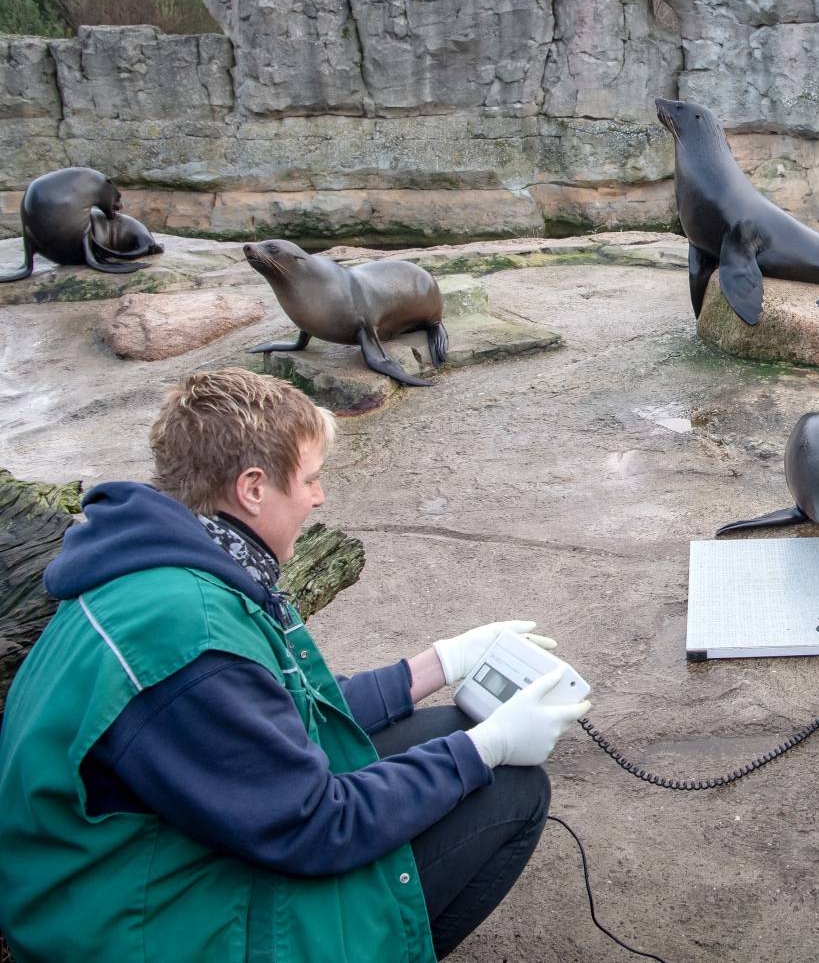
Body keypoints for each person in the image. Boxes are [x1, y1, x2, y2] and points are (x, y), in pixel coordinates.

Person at [0, 368, 593, 961]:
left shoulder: (174, 557)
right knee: (510, 788)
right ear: (253, 488)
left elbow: (280, 712)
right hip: (130, 925)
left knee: (448, 730)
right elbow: (315, 827)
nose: (319, 496)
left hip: (138, 857)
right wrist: (485, 749)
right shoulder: (192, 636)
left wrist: (442, 663)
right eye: (309, 479)